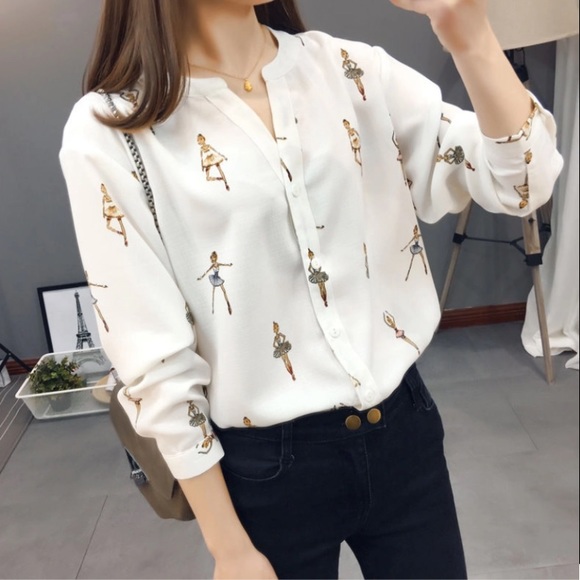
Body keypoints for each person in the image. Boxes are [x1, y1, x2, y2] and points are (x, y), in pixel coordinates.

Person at [59, 0, 563, 578]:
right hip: (266, 471)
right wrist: (229, 548)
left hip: (405, 433)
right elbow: (152, 356)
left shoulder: (350, 70)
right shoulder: (112, 130)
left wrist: (469, 35)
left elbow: (524, 182)